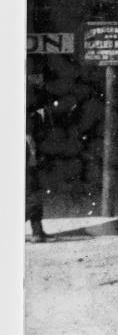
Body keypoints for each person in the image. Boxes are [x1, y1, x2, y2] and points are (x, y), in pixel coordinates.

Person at [26, 92, 49, 242]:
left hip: (33, 161)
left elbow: (38, 138)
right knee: (32, 197)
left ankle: (38, 230)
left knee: (35, 195)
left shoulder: (36, 117)